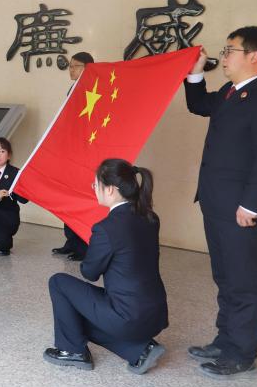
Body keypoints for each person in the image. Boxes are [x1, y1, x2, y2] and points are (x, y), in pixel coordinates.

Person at [184, 26, 257, 379]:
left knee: (246, 281)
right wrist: (195, 71)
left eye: (229, 50)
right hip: (216, 203)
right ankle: (225, 340)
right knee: (226, 277)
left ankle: (242, 353)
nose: (224, 57)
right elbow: (198, 104)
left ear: (254, 55)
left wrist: (252, 205)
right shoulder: (230, 93)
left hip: (242, 210)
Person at [45, 159, 169, 374]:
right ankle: (141, 350)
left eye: (95, 185)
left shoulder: (106, 228)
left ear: (110, 189)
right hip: (155, 314)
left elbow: (89, 273)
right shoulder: (150, 217)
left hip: (128, 317)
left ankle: (72, 350)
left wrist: (93, 247)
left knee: (58, 283)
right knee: (79, 312)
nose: (94, 189)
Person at [53, 51, 95, 261]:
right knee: (68, 199)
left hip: (86, 155)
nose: (71, 70)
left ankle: (83, 247)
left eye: (75, 66)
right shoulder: (73, 88)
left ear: (88, 69)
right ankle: (71, 241)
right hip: (71, 152)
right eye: (70, 66)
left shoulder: (94, 90)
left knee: (81, 201)